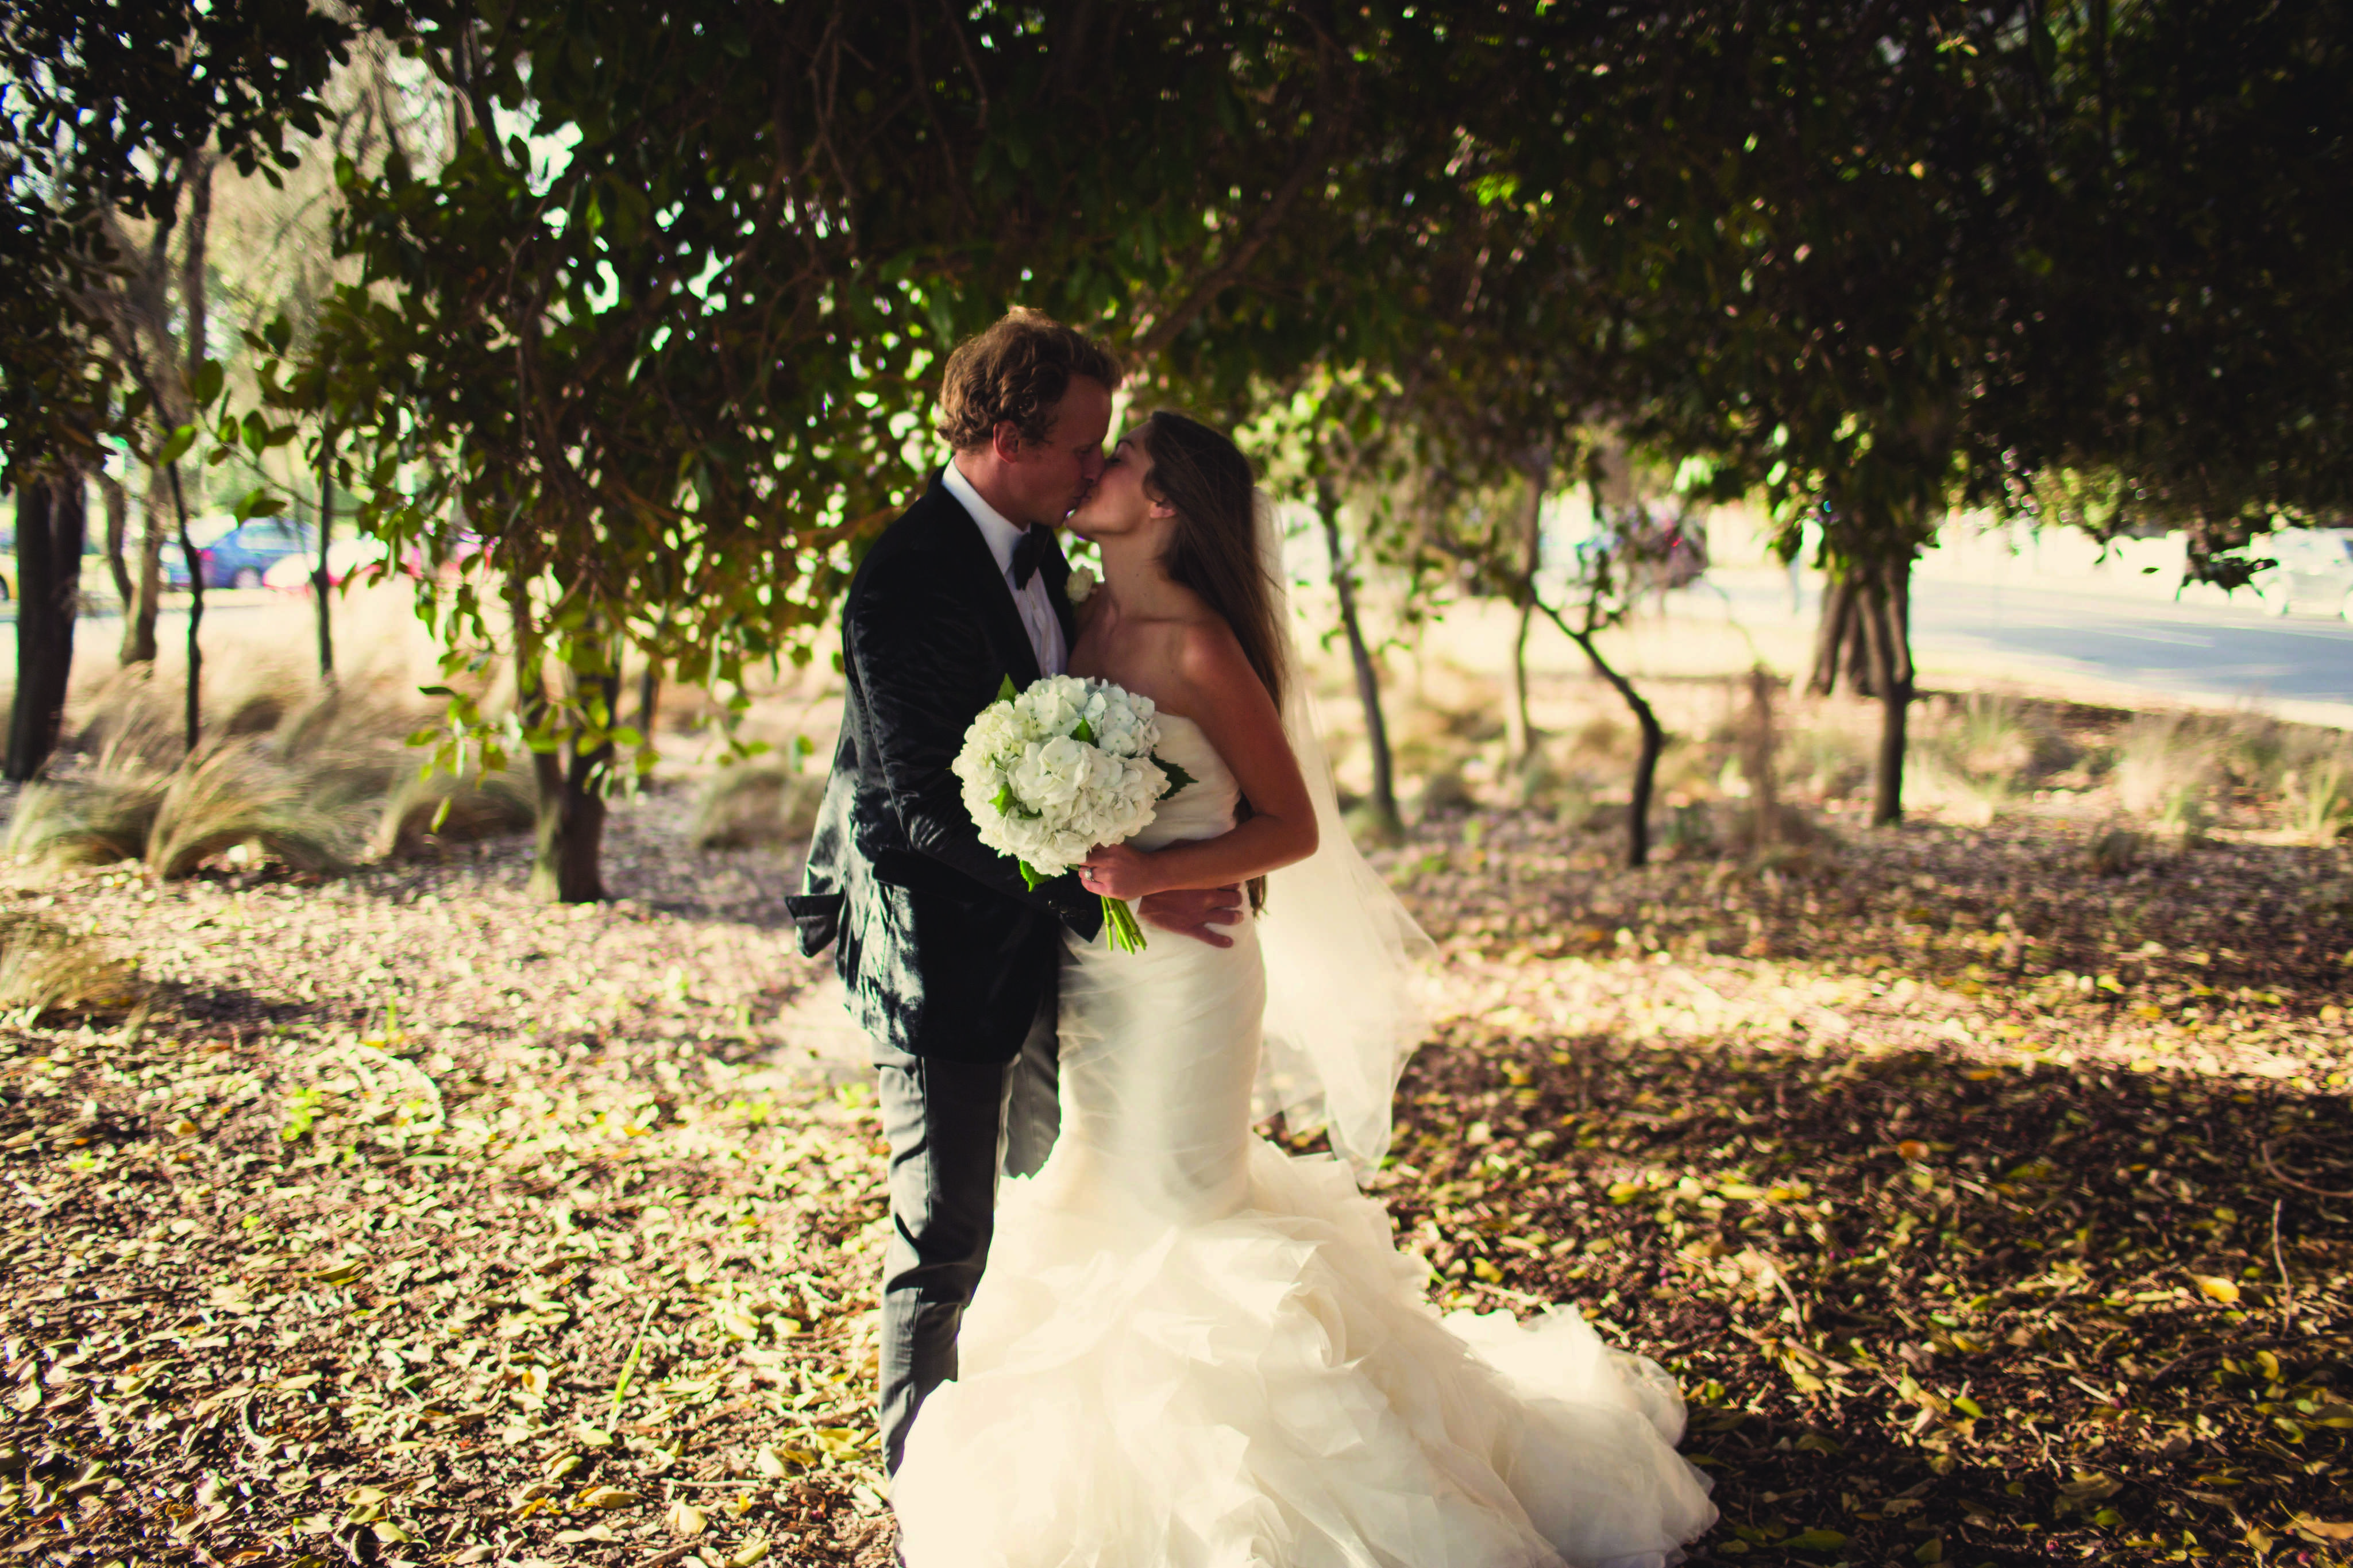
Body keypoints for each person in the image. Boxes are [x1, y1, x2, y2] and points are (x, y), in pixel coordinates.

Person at [887, 410, 1719, 1567]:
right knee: (1091, 1182)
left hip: (1187, 979)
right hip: (1098, 967)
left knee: (1179, 1213)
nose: (1093, 467)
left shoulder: (1198, 648)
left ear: (1164, 500)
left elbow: (1290, 827)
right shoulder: (1077, 617)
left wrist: (1157, 872)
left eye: (1116, 459)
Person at [790, 310, 1244, 1478]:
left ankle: (1031, 1468)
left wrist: (1171, 868)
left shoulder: (1054, 556)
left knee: (1045, 1218)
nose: (1096, 468)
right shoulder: (903, 579)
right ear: (1003, 437)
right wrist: (1109, 903)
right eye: (1082, 446)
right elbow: (921, 808)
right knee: (943, 1240)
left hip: (1060, 971)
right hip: (938, 960)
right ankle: (923, 1488)